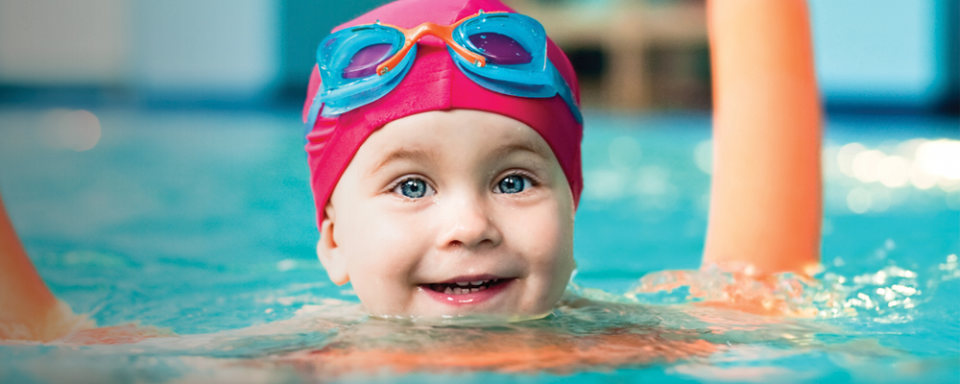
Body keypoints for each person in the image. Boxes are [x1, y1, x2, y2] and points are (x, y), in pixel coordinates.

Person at [0, 0, 821, 342]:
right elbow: (53, 342)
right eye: (411, 187)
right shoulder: (302, 360)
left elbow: (762, 307)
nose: (468, 225)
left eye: (513, 180)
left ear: (576, 206)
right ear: (331, 243)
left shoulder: (633, 343)